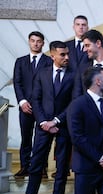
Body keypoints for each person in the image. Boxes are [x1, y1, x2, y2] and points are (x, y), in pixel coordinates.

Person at [8, 41, 75, 194]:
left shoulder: (74, 75)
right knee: (36, 164)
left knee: (61, 167)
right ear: (53, 55)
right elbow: (35, 99)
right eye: (63, 54)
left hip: (63, 127)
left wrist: (55, 121)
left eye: (67, 54)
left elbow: (73, 103)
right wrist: (44, 121)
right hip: (43, 126)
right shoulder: (42, 73)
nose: (67, 57)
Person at [13, 31, 52, 179]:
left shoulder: (49, 62)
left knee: (42, 139)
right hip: (25, 107)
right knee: (26, 136)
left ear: (43, 43)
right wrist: (22, 101)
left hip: (43, 107)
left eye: (38, 41)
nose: (35, 43)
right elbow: (17, 82)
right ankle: (25, 166)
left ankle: (41, 167)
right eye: (33, 41)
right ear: (29, 42)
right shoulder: (20, 61)